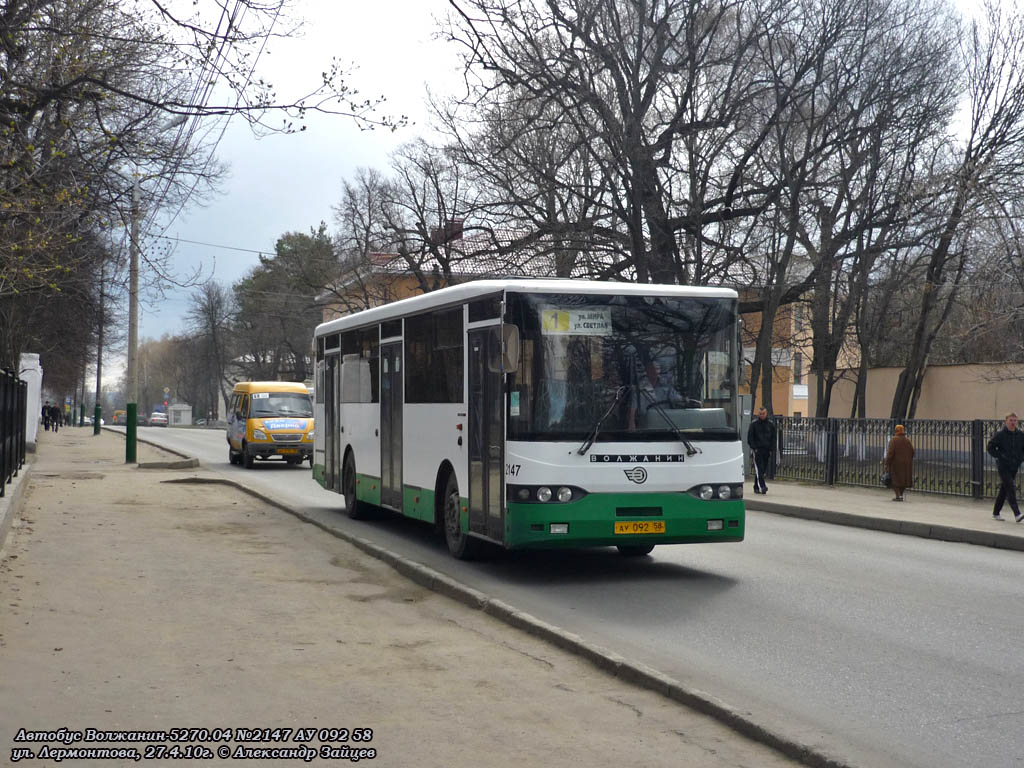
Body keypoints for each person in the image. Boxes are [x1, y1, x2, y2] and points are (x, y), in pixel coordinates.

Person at [987, 412, 1024, 522]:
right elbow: (990, 447)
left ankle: (996, 512)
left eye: (1015, 420)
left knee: (1005, 489)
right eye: (1011, 420)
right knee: (1010, 487)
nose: (1013, 423)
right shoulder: (1000, 435)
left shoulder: (1020, 435)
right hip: (1003, 466)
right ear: (1006, 421)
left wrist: (1020, 458)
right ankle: (1017, 514)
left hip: (1014, 465)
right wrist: (1000, 456)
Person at [747, 407, 777, 494]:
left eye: (763, 413)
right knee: (759, 468)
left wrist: (772, 449)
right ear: (758, 414)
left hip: (767, 450)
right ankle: (763, 486)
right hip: (757, 450)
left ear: (766, 413)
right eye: (760, 414)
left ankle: (756, 486)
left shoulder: (770, 425)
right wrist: (754, 448)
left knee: (763, 469)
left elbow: (774, 438)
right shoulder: (754, 424)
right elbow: (750, 438)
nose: (762, 415)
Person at [884, 425, 914, 501]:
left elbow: (890, 453)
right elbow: (912, 451)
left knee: (895, 480)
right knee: (903, 480)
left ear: (896, 431)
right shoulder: (907, 440)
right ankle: (900, 495)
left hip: (896, 463)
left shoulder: (894, 440)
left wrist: (887, 463)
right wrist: (908, 459)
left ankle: (898, 496)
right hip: (906, 464)